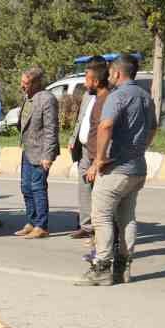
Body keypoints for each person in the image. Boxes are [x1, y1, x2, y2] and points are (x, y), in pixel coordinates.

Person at [76, 55, 154, 286]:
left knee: (101, 217)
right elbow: (152, 129)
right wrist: (139, 149)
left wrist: (99, 159)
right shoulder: (145, 96)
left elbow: (106, 125)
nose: (109, 76)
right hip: (137, 167)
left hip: (116, 169)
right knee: (127, 217)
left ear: (117, 73)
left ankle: (101, 267)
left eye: (110, 72)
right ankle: (123, 266)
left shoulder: (117, 96)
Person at [67, 58, 109, 243]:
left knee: (98, 192)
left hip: (98, 151)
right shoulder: (88, 95)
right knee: (83, 188)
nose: (85, 83)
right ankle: (86, 226)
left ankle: (99, 232)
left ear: (97, 79)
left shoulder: (108, 98)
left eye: (87, 78)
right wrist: (73, 139)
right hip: (83, 148)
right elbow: (81, 120)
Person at [15, 67, 59, 238]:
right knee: (26, 187)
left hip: (41, 152)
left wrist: (48, 156)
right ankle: (31, 222)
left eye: (25, 83)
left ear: (36, 83)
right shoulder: (29, 97)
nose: (22, 86)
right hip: (28, 149)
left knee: (37, 188)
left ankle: (42, 226)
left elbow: (51, 129)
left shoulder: (47, 99)